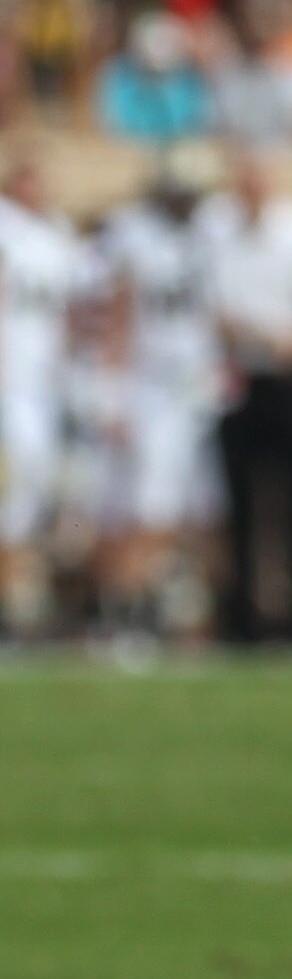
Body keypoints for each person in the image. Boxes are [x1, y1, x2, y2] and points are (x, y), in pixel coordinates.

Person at [94, 143, 223, 642]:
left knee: (199, 512)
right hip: (153, 387)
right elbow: (119, 321)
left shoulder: (211, 231)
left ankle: (175, 617)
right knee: (149, 509)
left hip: (200, 389)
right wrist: (112, 394)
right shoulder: (134, 234)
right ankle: (124, 615)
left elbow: (214, 315)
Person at [205, 154, 292, 645]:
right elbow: (217, 312)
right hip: (241, 379)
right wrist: (263, 336)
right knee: (238, 505)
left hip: (289, 379)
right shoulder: (216, 234)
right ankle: (240, 619)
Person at [0, 155, 95, 637]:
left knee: (49, 498)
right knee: (13, 494)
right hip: (11, 380)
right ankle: (13, 604)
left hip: (50, 381)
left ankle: (28, 603)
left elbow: (80, 304)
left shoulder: (56, 232)